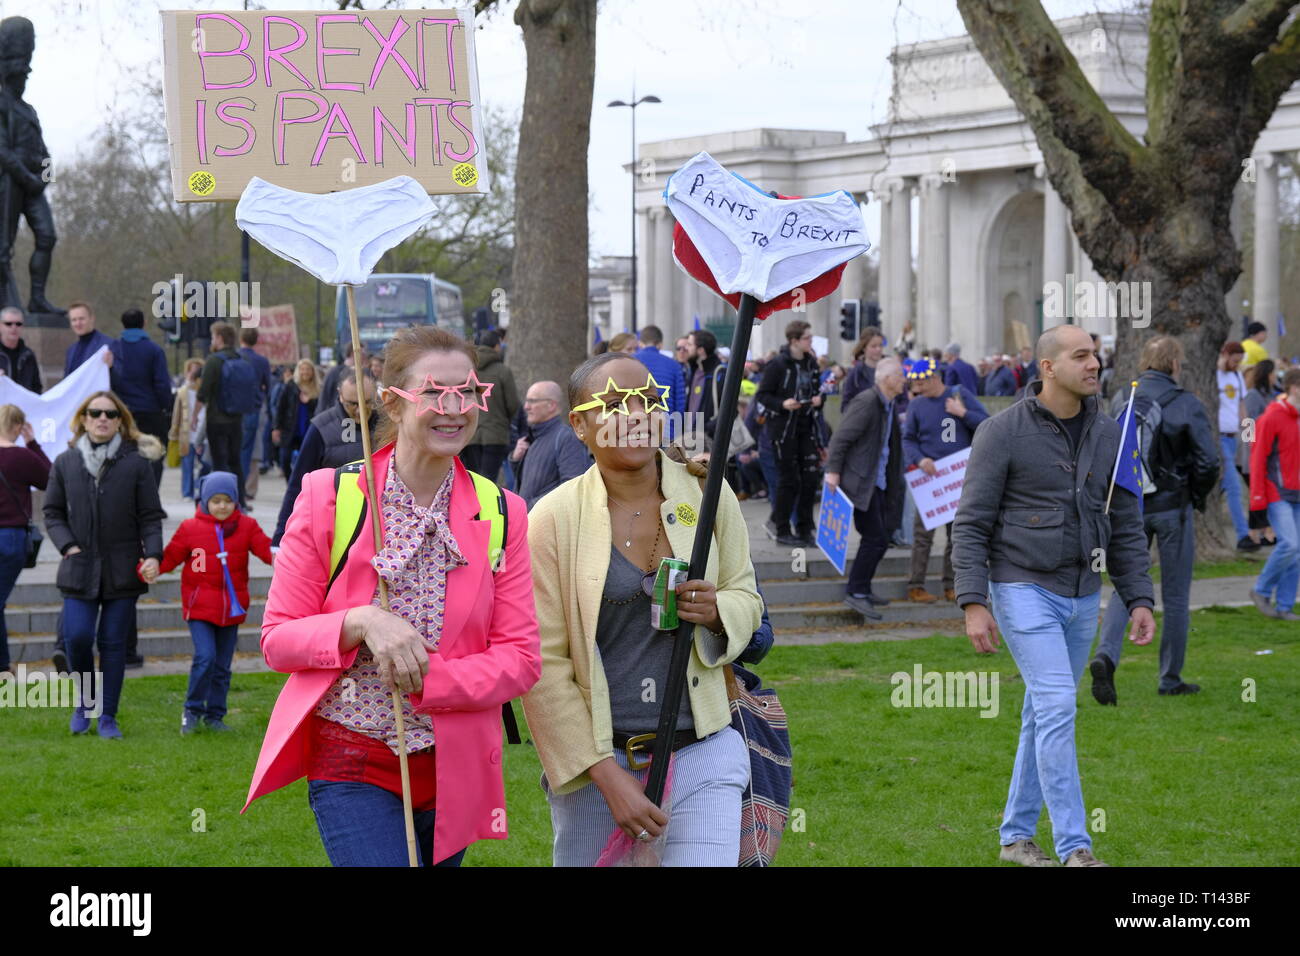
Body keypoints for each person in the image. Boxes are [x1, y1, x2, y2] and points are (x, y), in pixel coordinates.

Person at [244, 325, 542, 867]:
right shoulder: (328, 497)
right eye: (434, 392)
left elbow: (521, 660)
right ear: (391, 402)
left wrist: (435, 678)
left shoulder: (504, 513)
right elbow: (277, 639)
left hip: (456, 767)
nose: (455, 408)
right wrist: (361, 622)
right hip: (352, 758)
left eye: (468, 391)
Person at [522, 351, 763, 866]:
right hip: (595, 763)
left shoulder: (707, 494)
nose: (635, 415)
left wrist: (718, 611)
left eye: (649, 400)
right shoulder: (552, 519)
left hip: (702, 747)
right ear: (579, 425)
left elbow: (747, 595)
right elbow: (542, 662)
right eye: (614, 404)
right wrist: (605, 776)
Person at [952, 324, 1154, 867]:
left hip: (1084, 592)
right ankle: (1077, 847)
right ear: (1047, 366)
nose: (1094, 364)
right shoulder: (1000, 432)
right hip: (1021, 586)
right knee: (1060, 706)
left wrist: (1138, 597)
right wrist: (974, 602)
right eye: (1081, 356)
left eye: (1096, 355)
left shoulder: (1112, 434)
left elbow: (1127, 524)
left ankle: (1016, 838)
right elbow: (970, 524)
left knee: (1042, 713)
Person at [1090, 337, 1219, 704]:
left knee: (1126, 582)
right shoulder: (1184, 402)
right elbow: (1208, 461)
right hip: (1172, 505)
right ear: (1174, 363)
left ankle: (1107, 655)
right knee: (1176, 594)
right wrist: (1196, 496)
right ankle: (1170, 676)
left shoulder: (1122, 398)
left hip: (1131, 505)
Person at [43, 391, 166, 739]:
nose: (102, 419)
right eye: (94, 413)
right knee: (77, 637)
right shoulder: (66, 462)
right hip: (79, 567)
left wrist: (153, 554)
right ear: (83, 419)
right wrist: (67, 545)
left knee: (113, 644)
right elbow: (51, 512)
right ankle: (85, 702)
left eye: (110, 414)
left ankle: (107, 715)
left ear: (120, 421)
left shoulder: (136, 464)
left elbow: (151, 517)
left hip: (122, 568)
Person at [152, 471, 273, 733]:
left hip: (232, 609)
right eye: (215, 500)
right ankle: (192, 709)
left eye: (227, 500)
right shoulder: (189, 529)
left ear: (236, 502)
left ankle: (215, 715)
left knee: (222, 667)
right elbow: (169, 558)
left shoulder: (247, 527)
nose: (222, 506)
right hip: (199, 609)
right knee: (205, 658)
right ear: (205, 501)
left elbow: (268, 551)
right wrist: (150, 568)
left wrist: (290, 559)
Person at [900, 357, 989, 603]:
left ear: (935, 379)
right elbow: (908, 439)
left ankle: (952, 585)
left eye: (921, 383)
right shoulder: (917, 405)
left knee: (957, 535)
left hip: (959, 476)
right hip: (930, 479)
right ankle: (916, 584)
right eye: (914, 384)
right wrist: (919, 460)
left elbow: (988, 424)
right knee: (922, 535)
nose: (916, 389)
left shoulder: (959, 395)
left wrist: (962, 413)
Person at [824, 357, 906, 620]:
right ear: (887, 380)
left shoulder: (888, 403)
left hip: (877, 483)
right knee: (875, 538)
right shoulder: (867, 402)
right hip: (860, 482)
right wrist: (833, 473)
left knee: (882, 538)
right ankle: (856, 591)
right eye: (900, 375)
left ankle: (864, 588)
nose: (904, 379)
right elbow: (841, 438)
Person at [272, 373, 379, 547]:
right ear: (340, 395)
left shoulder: (388, 424)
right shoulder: (322, 428)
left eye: (367, 402)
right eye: (353, 404)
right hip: (335, 526)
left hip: (377, 525)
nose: (360, 410)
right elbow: (298, 483)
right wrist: (280, 537)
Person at [756, 320, 823, 547]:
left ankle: (805, 529)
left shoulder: (811, 363)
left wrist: (817, 401)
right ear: (794, 340)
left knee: (810, 479)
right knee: (789, 480)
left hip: (806, 427)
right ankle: (781, 527)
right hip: (783, 430)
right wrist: (782, 404)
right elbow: (762, 395)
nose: (810, 342)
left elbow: (817, 392)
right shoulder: (778, 365)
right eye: (807, 338)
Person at [1248, 366, 1300, 621]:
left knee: (1296, 549)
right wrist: (1257, 497)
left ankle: (1285, 606)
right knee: (1290, 544)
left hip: (1297, 492)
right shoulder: (1272, 416)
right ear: (1292, 388)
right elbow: (1258, 458)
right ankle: (1261, 589)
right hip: (1277, 491)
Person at [0, 404, 48, 674]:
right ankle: (2, 666)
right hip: (11, 537)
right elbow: (51, 479)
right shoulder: (21, 456)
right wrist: (33, 444)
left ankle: (2, 665)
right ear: (18, 427)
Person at [111, 308, 172, 487]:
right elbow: (162, 384)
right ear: (144, 323)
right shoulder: (154, 350)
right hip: (150, 412)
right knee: (154, 456)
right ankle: (150, 500)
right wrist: (164, 406)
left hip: (122, 413)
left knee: (124, 457)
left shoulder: (114, 348)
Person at [511, 380, 590, 510]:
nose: (526, 407)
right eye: (527, 401)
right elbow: (531, 482)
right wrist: (516, 460)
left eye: (532, 401)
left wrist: (531, 506)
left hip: (545, 525)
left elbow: (573, 486)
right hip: (528, 522)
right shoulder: (533, 437)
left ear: (551, 405)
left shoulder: (566, 438)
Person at [197, 322, 251, 509]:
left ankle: (220, 500)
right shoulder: (241, 358)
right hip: (237, 419)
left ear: (219, 338)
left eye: (213, 337)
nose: (212, 340)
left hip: (216, 419)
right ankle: (240, 501)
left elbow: (203, 392)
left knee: (219, 463)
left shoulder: (214, 361)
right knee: (236, 462)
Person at [461, 330, 520, 482]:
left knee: (471, 480)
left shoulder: (467, 371)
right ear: (497, 346)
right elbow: (513, 404)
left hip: (470, 435)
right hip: (495, 434)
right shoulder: (503, 371)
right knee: (488, 481)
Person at [1216, 341, 1255, 551]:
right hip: (1219, 437)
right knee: (1234, 485)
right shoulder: (1214, 375)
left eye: (1239, 362)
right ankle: (1242, 535)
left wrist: (1250, 437)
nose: (1236, 364)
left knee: (1222, 486)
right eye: (1234, 360)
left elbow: (1242, 407)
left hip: (1234, 437)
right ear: (1225, 355)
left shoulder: (1237, 376)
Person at [1243, 360, 1278, 547]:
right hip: (1254, 455)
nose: (1275, 377)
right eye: (1273, 373)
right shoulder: (1253, 396)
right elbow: (1247, 427)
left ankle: (1266, 532)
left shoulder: (1271, 396)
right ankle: (1255, 533)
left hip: (1268, 455)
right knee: (1257, 495)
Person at [272, 358, 320, 480]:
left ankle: (303, 484)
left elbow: (321, 410)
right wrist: (277, 427)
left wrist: (309, 402)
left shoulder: (318, 388)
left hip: (308, 430)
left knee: (307, 461)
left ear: (312, 371)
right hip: (290, 429)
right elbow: (280, 407)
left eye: (308, 369)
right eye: (302, 369)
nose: (305, 372)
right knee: (285, 459)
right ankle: (291, 483)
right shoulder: (291, 385)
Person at [238, 327, 273, 493]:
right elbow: (268, 385)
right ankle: (243, 486)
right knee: (247, 450)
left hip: (234, 408)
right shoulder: (262, 361)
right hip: (253, 407)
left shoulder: (235, 356)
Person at [633, 324, 687, 425]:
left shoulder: (629, 361)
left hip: (636, 424)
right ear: (660, 344)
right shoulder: (674, 365)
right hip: (666, 425)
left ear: (640, 343)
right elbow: (680, 403)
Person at [169, 358, 205, 500]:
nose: (193, 373)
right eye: (191, 369)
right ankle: (187, 492)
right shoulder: (183, 391)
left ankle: (201, 488)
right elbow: (177, 413)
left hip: (204, 432)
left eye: (197, 369)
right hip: (187, 432)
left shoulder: (206, 390)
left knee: (205, 464)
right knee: (187, 464)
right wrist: (174, 431)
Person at [63, 301, 114, 377]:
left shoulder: (109, 345)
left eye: (81, 319)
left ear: (92, 318)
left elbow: (121, 382)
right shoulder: (70, 350)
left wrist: (111, 368)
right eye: (74, 320)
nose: (78, 323)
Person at [841, 325, 884, 407]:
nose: (878, 349)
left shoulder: (890, 369)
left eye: (880, 345)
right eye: (873, 346)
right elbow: (845, 405)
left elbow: (902, 399)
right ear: (864, 348)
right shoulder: (855, 374)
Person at [0, 306, 41, 392]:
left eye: (18, 324)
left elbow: (36, 387)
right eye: (8, 324)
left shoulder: (28, 355)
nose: (14, 327)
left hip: (23, 405)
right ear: (0, 326)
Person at [319, 341, 364, 413]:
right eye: (363, 354)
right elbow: (324, 396)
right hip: (337, 416)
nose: (364, 357)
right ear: (353, 353)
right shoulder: (334, 372)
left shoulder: (363, 372)